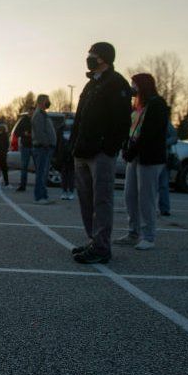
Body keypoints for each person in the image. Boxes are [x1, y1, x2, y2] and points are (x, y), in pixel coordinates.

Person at [70, 42, 132, 264]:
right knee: (86, 199)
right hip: (83, 151)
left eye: (92, 54)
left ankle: (102, 246)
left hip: (101, 153)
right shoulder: (91, 84)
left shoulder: (117, 84)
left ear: (104, 58)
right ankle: (93, 240)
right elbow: (80, 118)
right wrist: (74, 145)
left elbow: (122, 121)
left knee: (101, 200)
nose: (88, 57)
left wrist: (108, 148)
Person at [114, 73, 169, 250]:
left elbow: (150, 133)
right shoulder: (138, 106)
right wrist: (125, 146)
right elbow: (130, 129)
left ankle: (148, 236)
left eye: (134, 84)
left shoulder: (157, 104)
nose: (132, 87)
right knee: (130, 195)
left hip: (149, 157)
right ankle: (133, 232)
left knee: (146, 197)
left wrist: (133, 149)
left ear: (143, 85)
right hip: (135, 156)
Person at [31, 94, 57, 204]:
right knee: (41, 173)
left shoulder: (43, 114)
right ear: (41, 101)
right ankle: (39, 197)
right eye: (47, 100)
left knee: (44, 173)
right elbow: (40, 132)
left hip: (46, 148)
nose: (49, 102)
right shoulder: (38, 115)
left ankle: (44, 195)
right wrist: (46, 143)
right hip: (42, 148)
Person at [159, 122, 178, 216]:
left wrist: (162, 143)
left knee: (163, 185)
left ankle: (164, 209)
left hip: (163, 157)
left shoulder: (165, 121)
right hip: (152, 157)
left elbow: (174, 138)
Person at [13, 105, 34, 192]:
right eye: (30, 111)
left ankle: (41, 186)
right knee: (24, 167)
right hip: (25, 146)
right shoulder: (23, 120)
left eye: (33, 111)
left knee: (39, 167)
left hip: (36, 146)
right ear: (28, 111)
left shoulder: (37, 120)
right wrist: (24, 133)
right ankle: (22, 186)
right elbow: (16, 132)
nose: (31, 113)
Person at [56, 114, 76, 200]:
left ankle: (71, 191)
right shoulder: (60, 129)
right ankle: (64, 191)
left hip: (72, 154)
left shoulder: (75, 129)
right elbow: (58, 142)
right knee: (64, 174)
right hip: (63, 154)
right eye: (67, 119)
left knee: (71, 174)